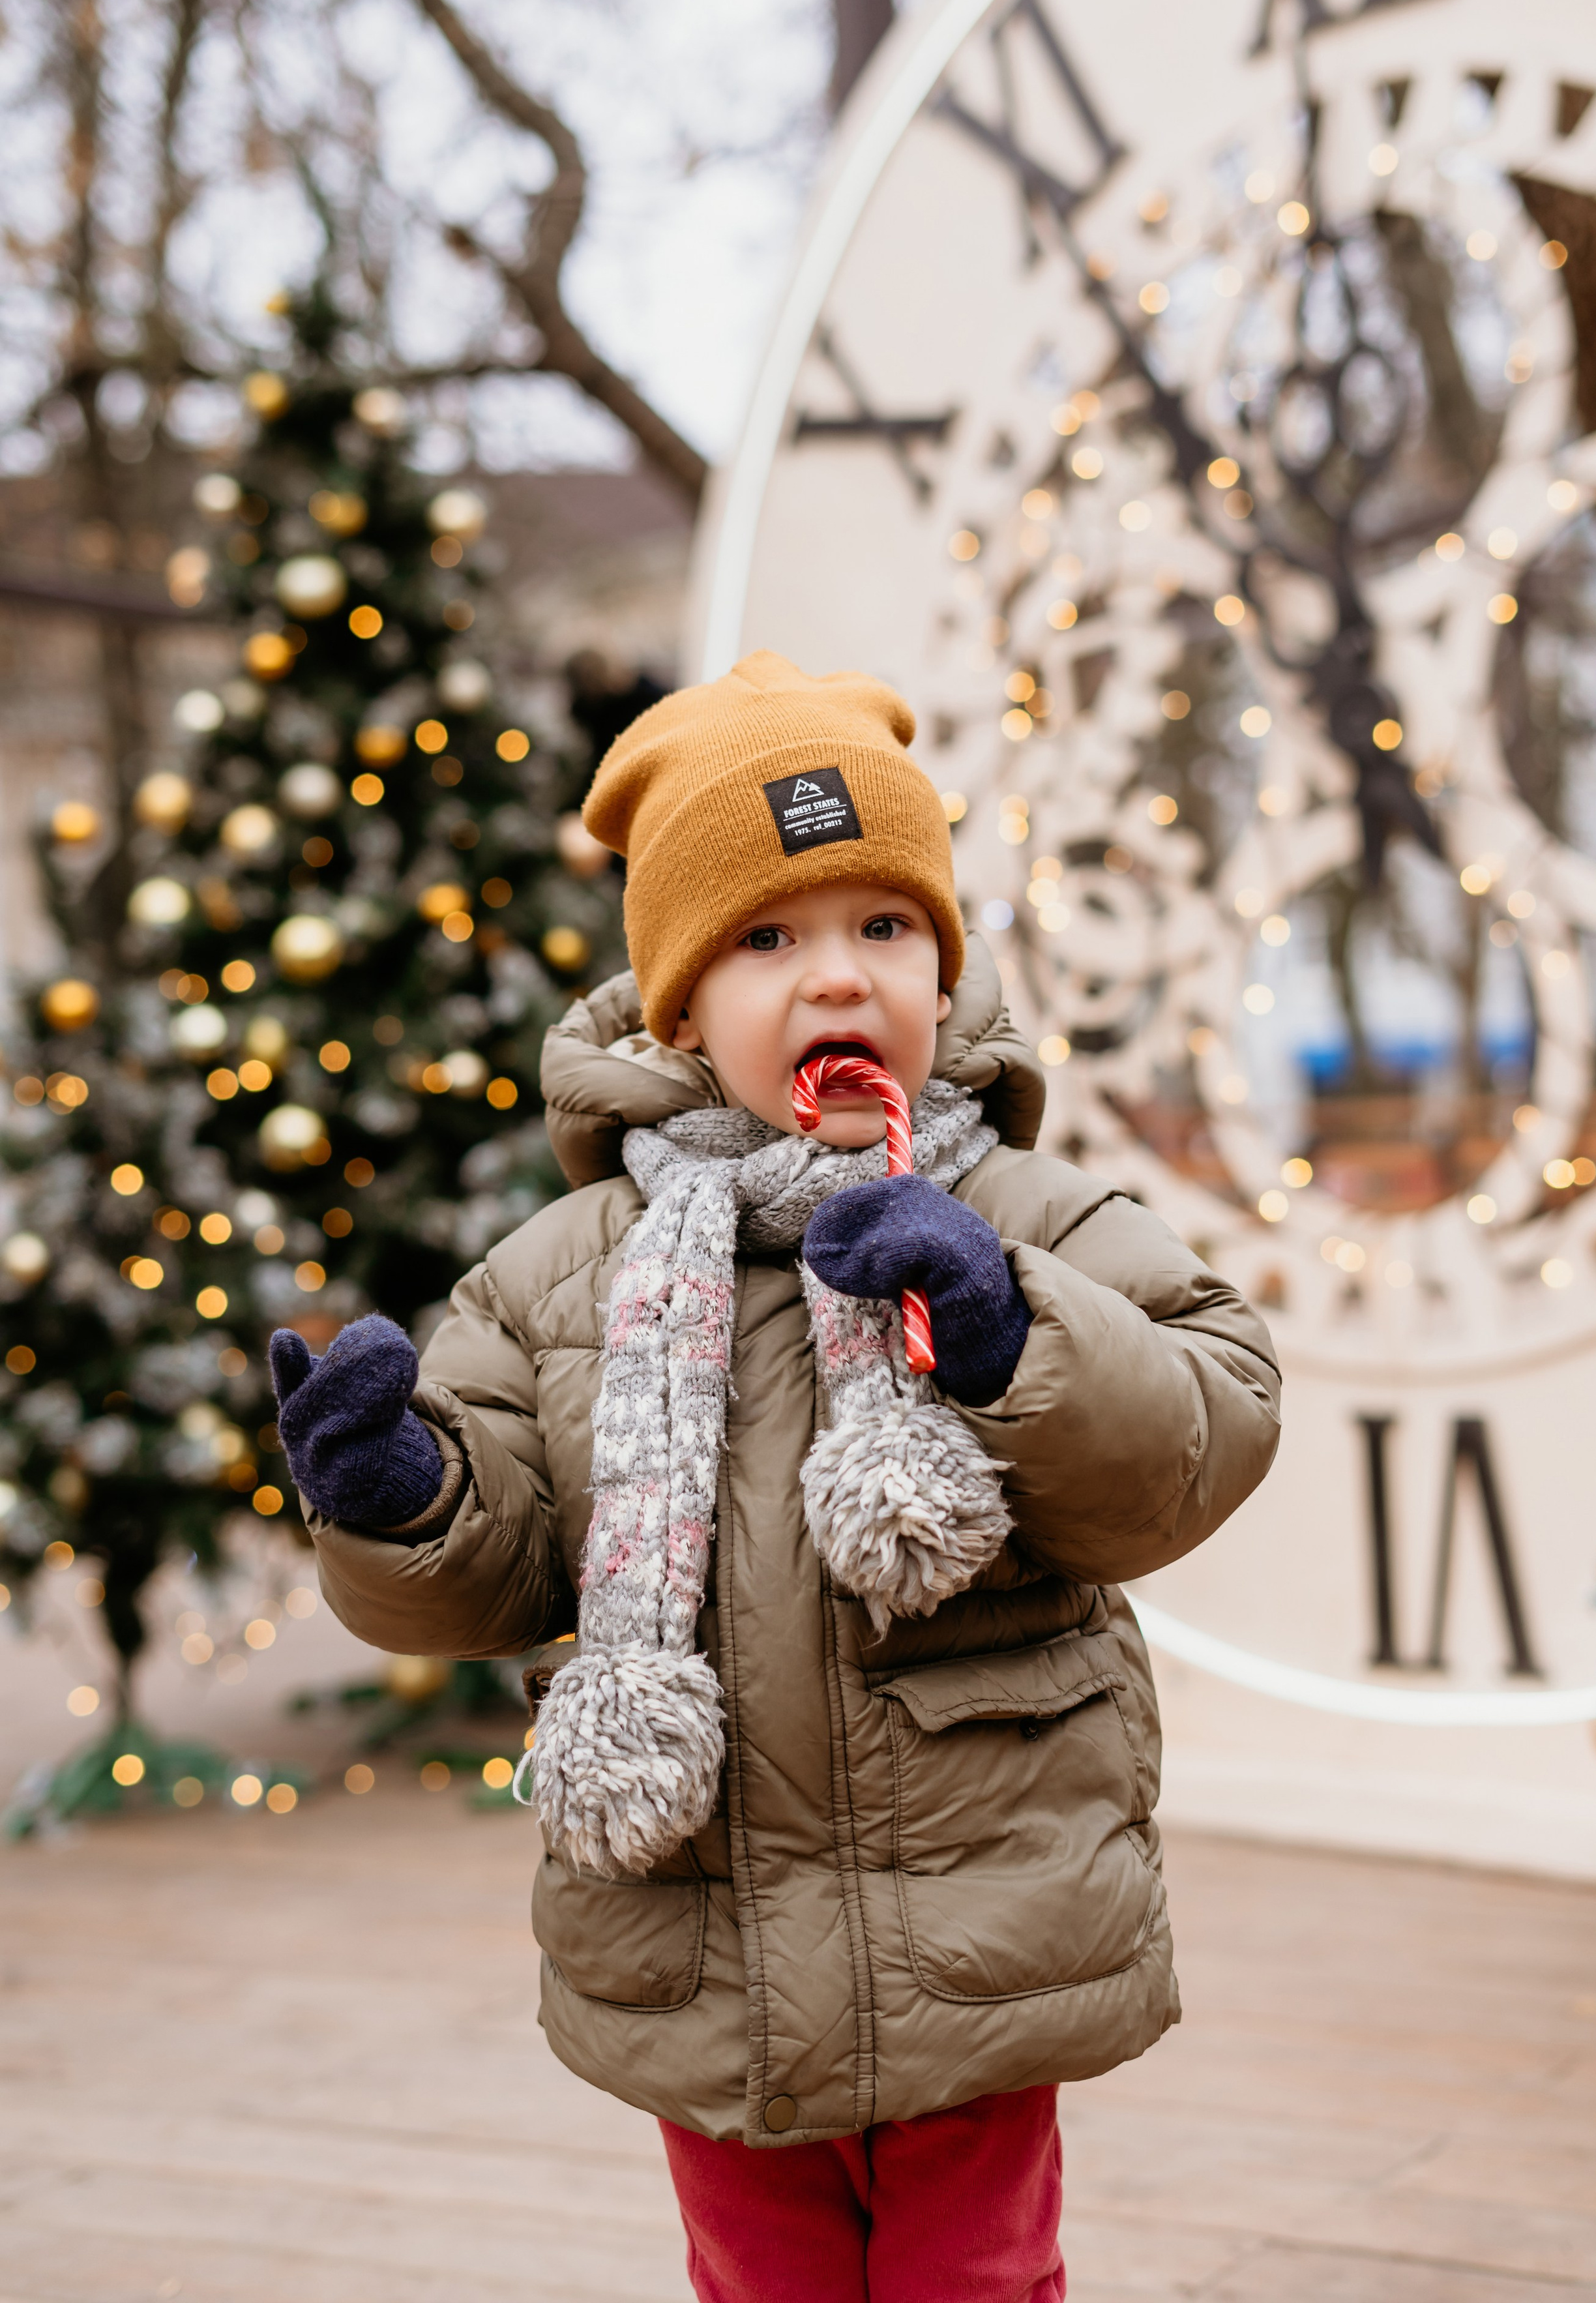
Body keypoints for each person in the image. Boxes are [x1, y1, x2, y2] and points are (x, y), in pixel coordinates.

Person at [271, 648, 1281, 2302]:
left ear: (942, 975)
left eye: (884, 928)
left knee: (973, 2281)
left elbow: (1200, 1428)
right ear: (676, 1006)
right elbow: (504, 1555)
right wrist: (401, 1493)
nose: (838, 978)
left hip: (977, 1905)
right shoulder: (557, 1277)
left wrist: (995, 1316)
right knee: (759, 2282)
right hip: (704, 1916)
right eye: (768, 938)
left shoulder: (1028, 1215)